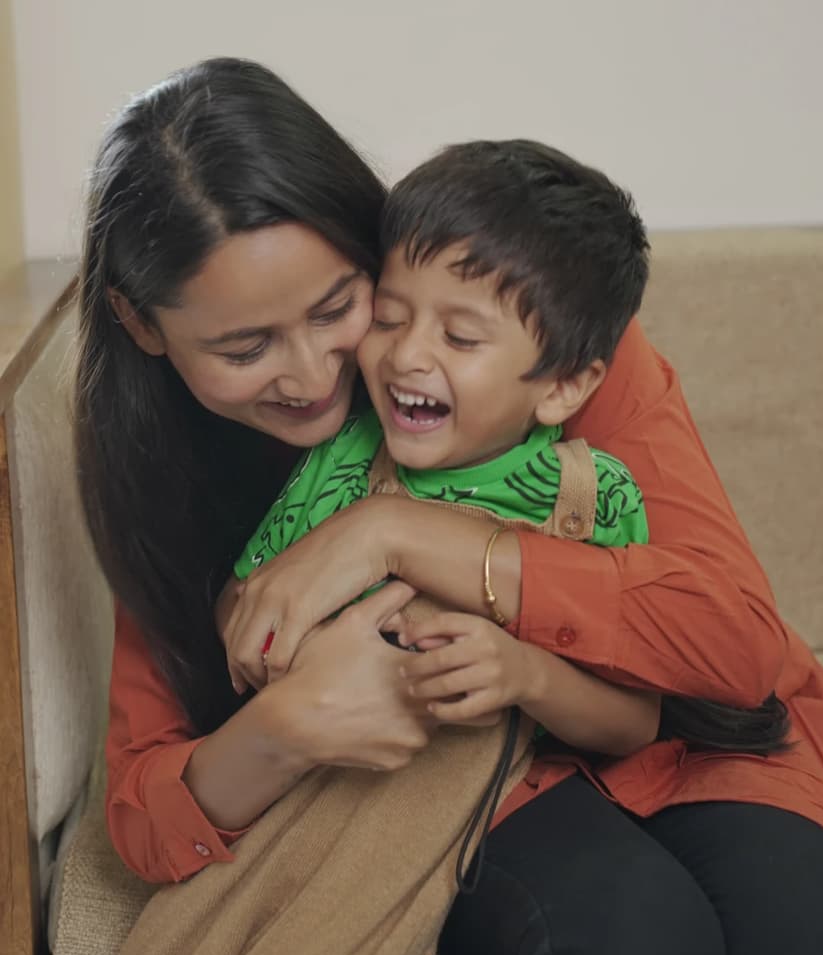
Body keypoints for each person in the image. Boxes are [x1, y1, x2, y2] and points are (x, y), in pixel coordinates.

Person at [75, 56, 823, 955]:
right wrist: (287, 727)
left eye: (345, 303)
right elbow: (147, 803)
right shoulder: (167, 472)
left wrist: (397, 533)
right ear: (142, 324)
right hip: (471, 783)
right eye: (246, 346)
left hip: (692, 736)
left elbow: (731, 642)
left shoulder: (524, 324)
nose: (316, 374)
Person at [231, 139, 658, 760]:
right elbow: (243, 608)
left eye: (459, 337)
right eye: (388, 318)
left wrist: (525, 674)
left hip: (520, 801)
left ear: (565, 386)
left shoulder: (595, 497)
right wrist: (305, 661)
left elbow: (634, 723)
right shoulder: (345, 455)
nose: (405, 355)